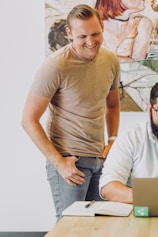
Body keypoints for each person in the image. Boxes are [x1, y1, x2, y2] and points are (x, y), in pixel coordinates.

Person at [21, 4, 120, 220]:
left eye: (95, 33)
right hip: (70, 161)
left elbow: (112, 105)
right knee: (71, 229)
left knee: (101, 226)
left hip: (99, 159)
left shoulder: (111, 60)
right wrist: (59, 162)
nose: (90, 41)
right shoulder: (55, 66)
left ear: (102, 27)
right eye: (82, 36)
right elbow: (29, 119)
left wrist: (112, 139)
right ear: (69, 34)